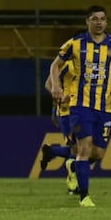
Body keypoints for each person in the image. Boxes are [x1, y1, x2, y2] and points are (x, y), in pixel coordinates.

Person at [48, 5, 111, 207]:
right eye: (94, 19)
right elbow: (54, 65)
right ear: (87, 21)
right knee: (83, 149)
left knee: (98, 153)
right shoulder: (75, 44)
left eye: (102, 19)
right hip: (80, 105)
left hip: (105, 107)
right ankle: (84, 196)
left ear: (106, 21)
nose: (99, 22)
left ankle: (66, 162)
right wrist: (56, 88)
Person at [40, 61, 80, 194]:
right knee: (76, 149)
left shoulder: (89, 64)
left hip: (81, 111)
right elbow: (48, 84)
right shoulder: (65, 64)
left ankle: (52, 152)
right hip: (66, 113)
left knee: (80, 148)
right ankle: (73, 185)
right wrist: (61, 97)